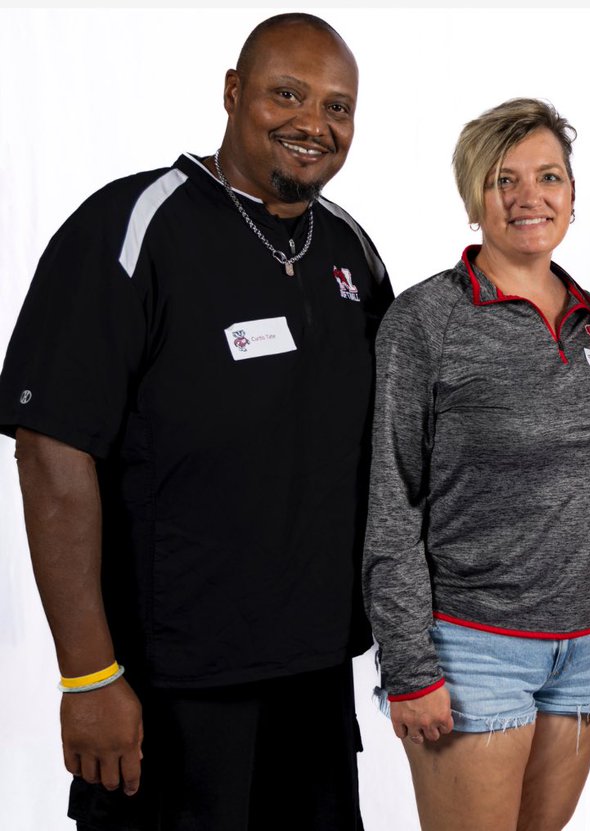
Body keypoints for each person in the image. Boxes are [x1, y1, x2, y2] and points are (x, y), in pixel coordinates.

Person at [0, 13, 392, 830]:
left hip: (314, 682)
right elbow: (50, 452)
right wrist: (88, 674)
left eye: (338, 106)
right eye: (287, 93)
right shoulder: (133, 225)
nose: (313, 124)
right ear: (232, 91)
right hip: (167, 686)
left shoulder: (352, 251)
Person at [362, 98, 590, 831]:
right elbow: (391, 497)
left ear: (574, 197)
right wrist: (409, 665)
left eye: (549, 176)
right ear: (472, 199)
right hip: (470, 645)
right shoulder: (427, 320)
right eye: (503, 179)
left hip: (586, 643)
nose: (529, 197)